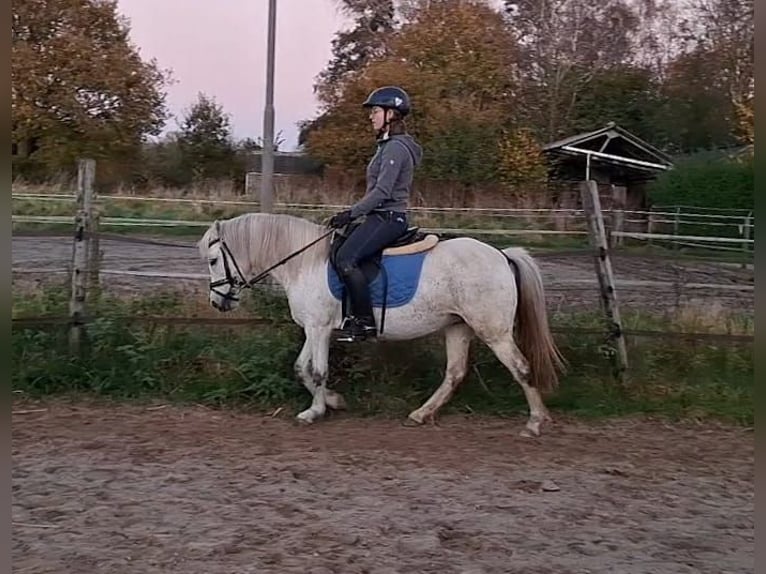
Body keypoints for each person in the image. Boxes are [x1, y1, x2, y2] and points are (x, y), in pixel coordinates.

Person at [327, 85, 423, 342]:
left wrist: (351, 213)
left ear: (391, 114)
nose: (371, 116)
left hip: (389, 218)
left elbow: (382, 192)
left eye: (376, 111)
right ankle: (347, 315)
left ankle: (365, 323)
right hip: (378, 216)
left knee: (347, 259)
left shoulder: (395, 148)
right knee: (337, 249)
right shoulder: (387, 146)